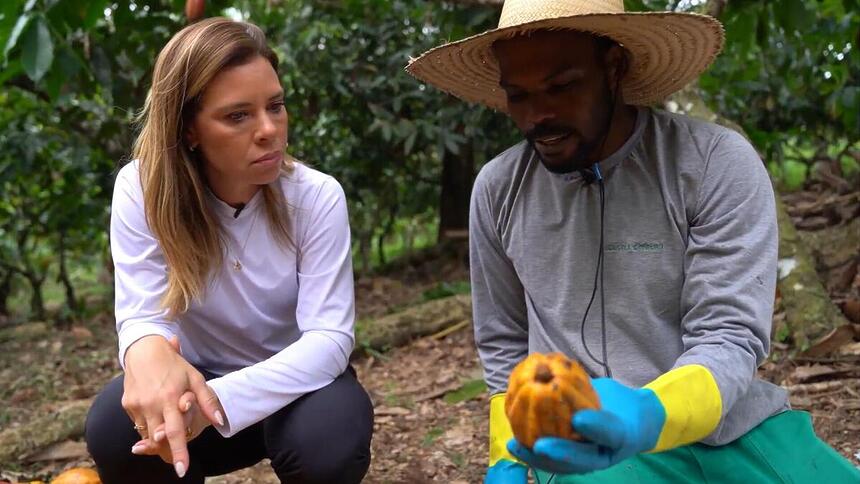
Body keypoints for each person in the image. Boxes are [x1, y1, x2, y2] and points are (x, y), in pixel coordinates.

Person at [406, 1, 860, 483]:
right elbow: (504, 341)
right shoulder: (498, 190)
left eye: (562, 87)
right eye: (518, 96)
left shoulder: (711, 163)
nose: (538, 115)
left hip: (727, 427)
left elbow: (729, 335)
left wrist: (651, 413)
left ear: (614, 67)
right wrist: (507, 456)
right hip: (584, 441)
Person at [84, 18, 373, 484]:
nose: (268, 130)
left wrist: (216, 401)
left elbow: (329, 339)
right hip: (192, 385)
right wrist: (149, 359)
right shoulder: (142, 190)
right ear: (190, 129)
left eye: (275, 107)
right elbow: (142, 317)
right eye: (237, 115)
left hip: (296, 388)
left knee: (330, 441)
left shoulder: (316, 197)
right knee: (114, 432)